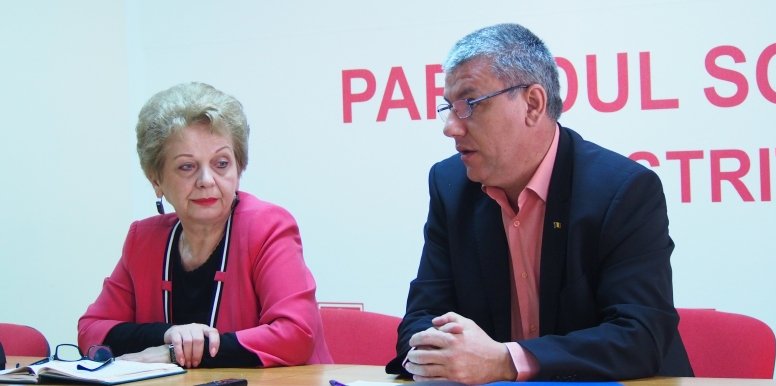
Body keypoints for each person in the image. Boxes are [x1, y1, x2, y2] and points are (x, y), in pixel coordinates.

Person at [385, 23, 693, 383]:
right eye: (448, 108)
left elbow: (639, 337)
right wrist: (436, 350)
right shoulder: (451, 185)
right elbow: (420, 319)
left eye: (469, 105)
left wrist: (505, 361)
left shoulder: (621, 191)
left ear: (532, 104)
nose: (451, 127)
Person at [78, 82, 331, 368]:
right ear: (156, 180)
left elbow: (295, 334)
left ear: (239, 168)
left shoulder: (268, 228)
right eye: (187, 166)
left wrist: (177, 354)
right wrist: (169, 336)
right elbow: (91, 330)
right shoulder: (143, 240)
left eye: (221, 163)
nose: (207, 180)